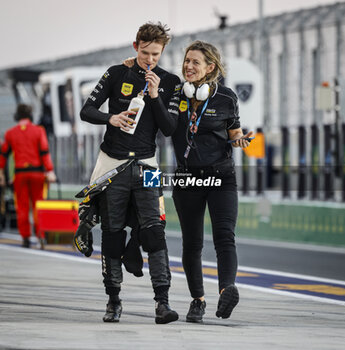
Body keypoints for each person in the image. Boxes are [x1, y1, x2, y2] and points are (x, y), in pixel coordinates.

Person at [79, 22, 181, 324]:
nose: (151, 59)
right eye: (146, 52)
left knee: (154, 231)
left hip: (148, 164)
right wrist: (111, 118)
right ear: (135, 46)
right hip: (113, 163)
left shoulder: (170, 81)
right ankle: (113, 301)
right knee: (111, 233)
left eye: (156, 54)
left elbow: (169, 128)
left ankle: (163, 303)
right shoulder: (116, 73)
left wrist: (154, 95)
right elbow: (87, 110)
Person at [170, 41, 253, 323]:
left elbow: (234, 134)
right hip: (186, 178)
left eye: (195, 62)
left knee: (224, 237)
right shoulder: (173, 94)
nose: (188, 66)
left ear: (210, 67)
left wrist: (240, 141)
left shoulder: (227, 98)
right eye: (186, 61)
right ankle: (198, 301)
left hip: (221, 176)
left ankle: (227, 289)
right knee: (192, 243)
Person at [0, 104, 56, 248]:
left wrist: (1, 173)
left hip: (20, 175)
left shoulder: (10, 133)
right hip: (37, 173)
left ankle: (25, 238)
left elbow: (3, 155)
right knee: (39, 205)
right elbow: (44, 151)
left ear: (17, 116)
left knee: (22, 206)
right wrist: (50, 171)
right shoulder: (39, 131)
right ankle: (41, 236)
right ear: (30, 115)